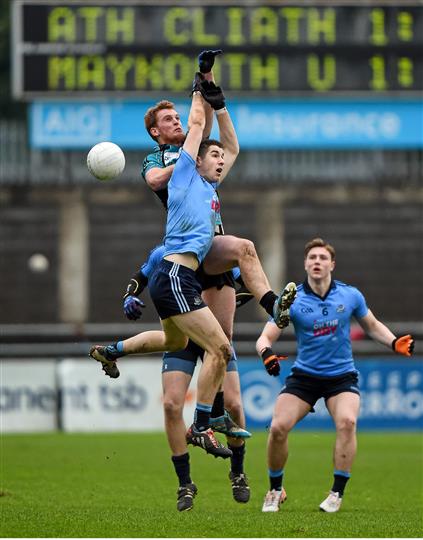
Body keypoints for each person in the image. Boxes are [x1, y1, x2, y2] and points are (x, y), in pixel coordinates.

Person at [256, 237, 415, 513]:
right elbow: (265, 337)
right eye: (312, 258)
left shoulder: (350, 295)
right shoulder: (292, 300)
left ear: (332, 264)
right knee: (278, 427)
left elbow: (372, 325)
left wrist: (393, 342)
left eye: (322, 258)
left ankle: (336, 494)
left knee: (347, 422)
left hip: (341, 377)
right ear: (305, 264)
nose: (317, 261)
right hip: (304, 376)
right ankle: (274, 489)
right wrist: (266, 353)